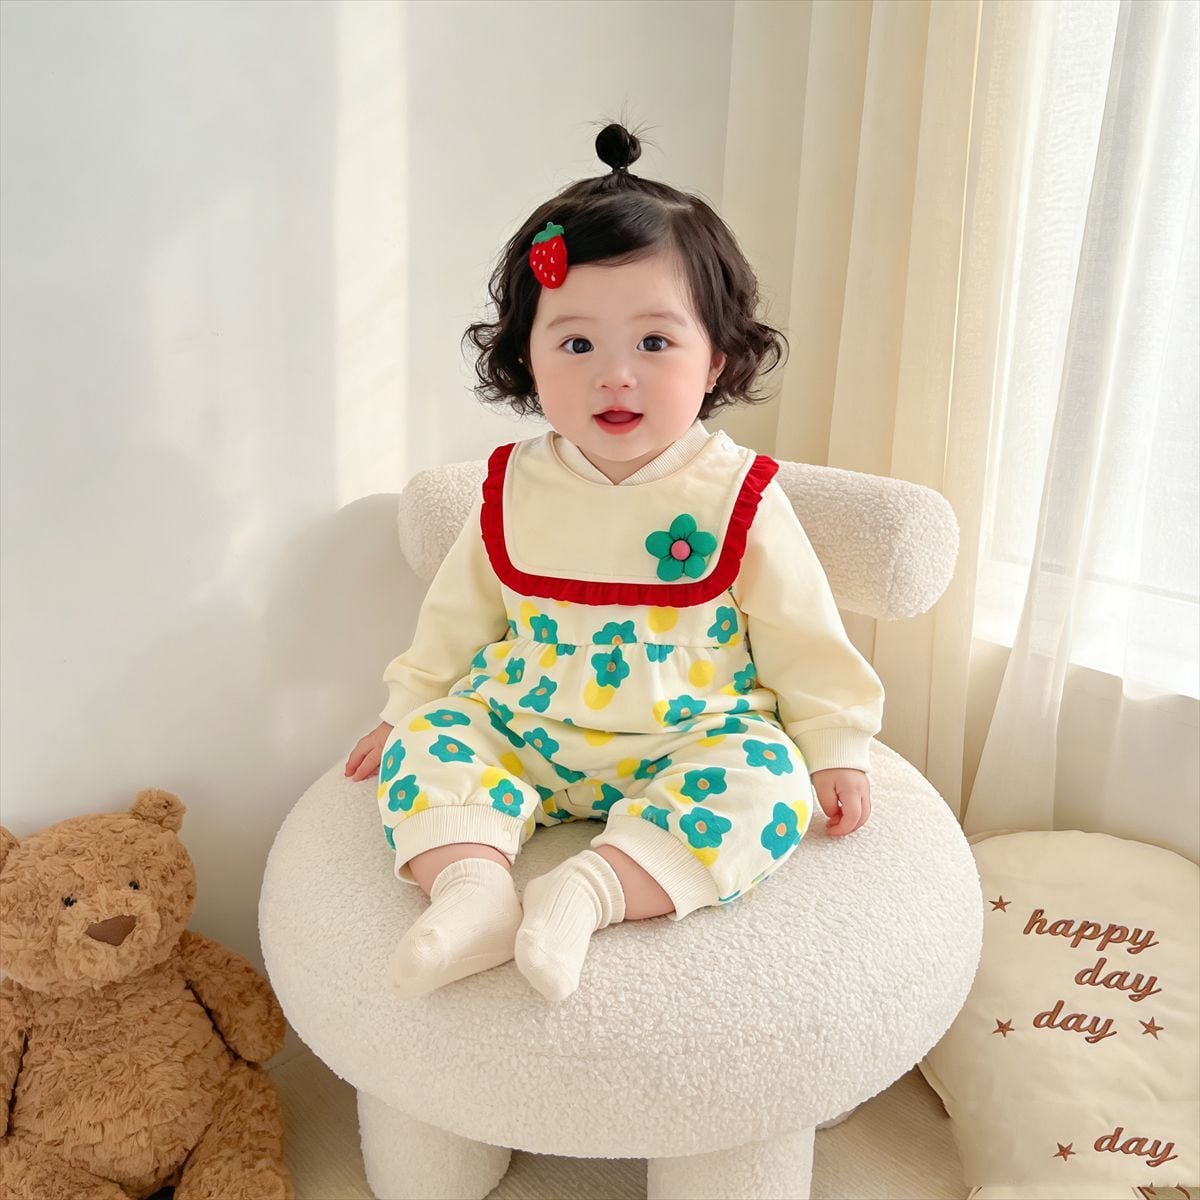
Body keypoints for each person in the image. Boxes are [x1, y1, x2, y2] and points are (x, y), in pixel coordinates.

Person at [344, 121, 885, 1003]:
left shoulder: (736, 493)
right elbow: (455, 618)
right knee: (434, 744)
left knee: (767, 783)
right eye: (577, 344)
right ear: (527, 358)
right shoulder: (510, 486)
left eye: (655, 343)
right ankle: (473, 892)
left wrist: (835, 746)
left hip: (692, 731)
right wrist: (405, 709)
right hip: (524, 722)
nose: (615, 375)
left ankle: (586, 894)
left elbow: (803, 635)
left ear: (716, 359)